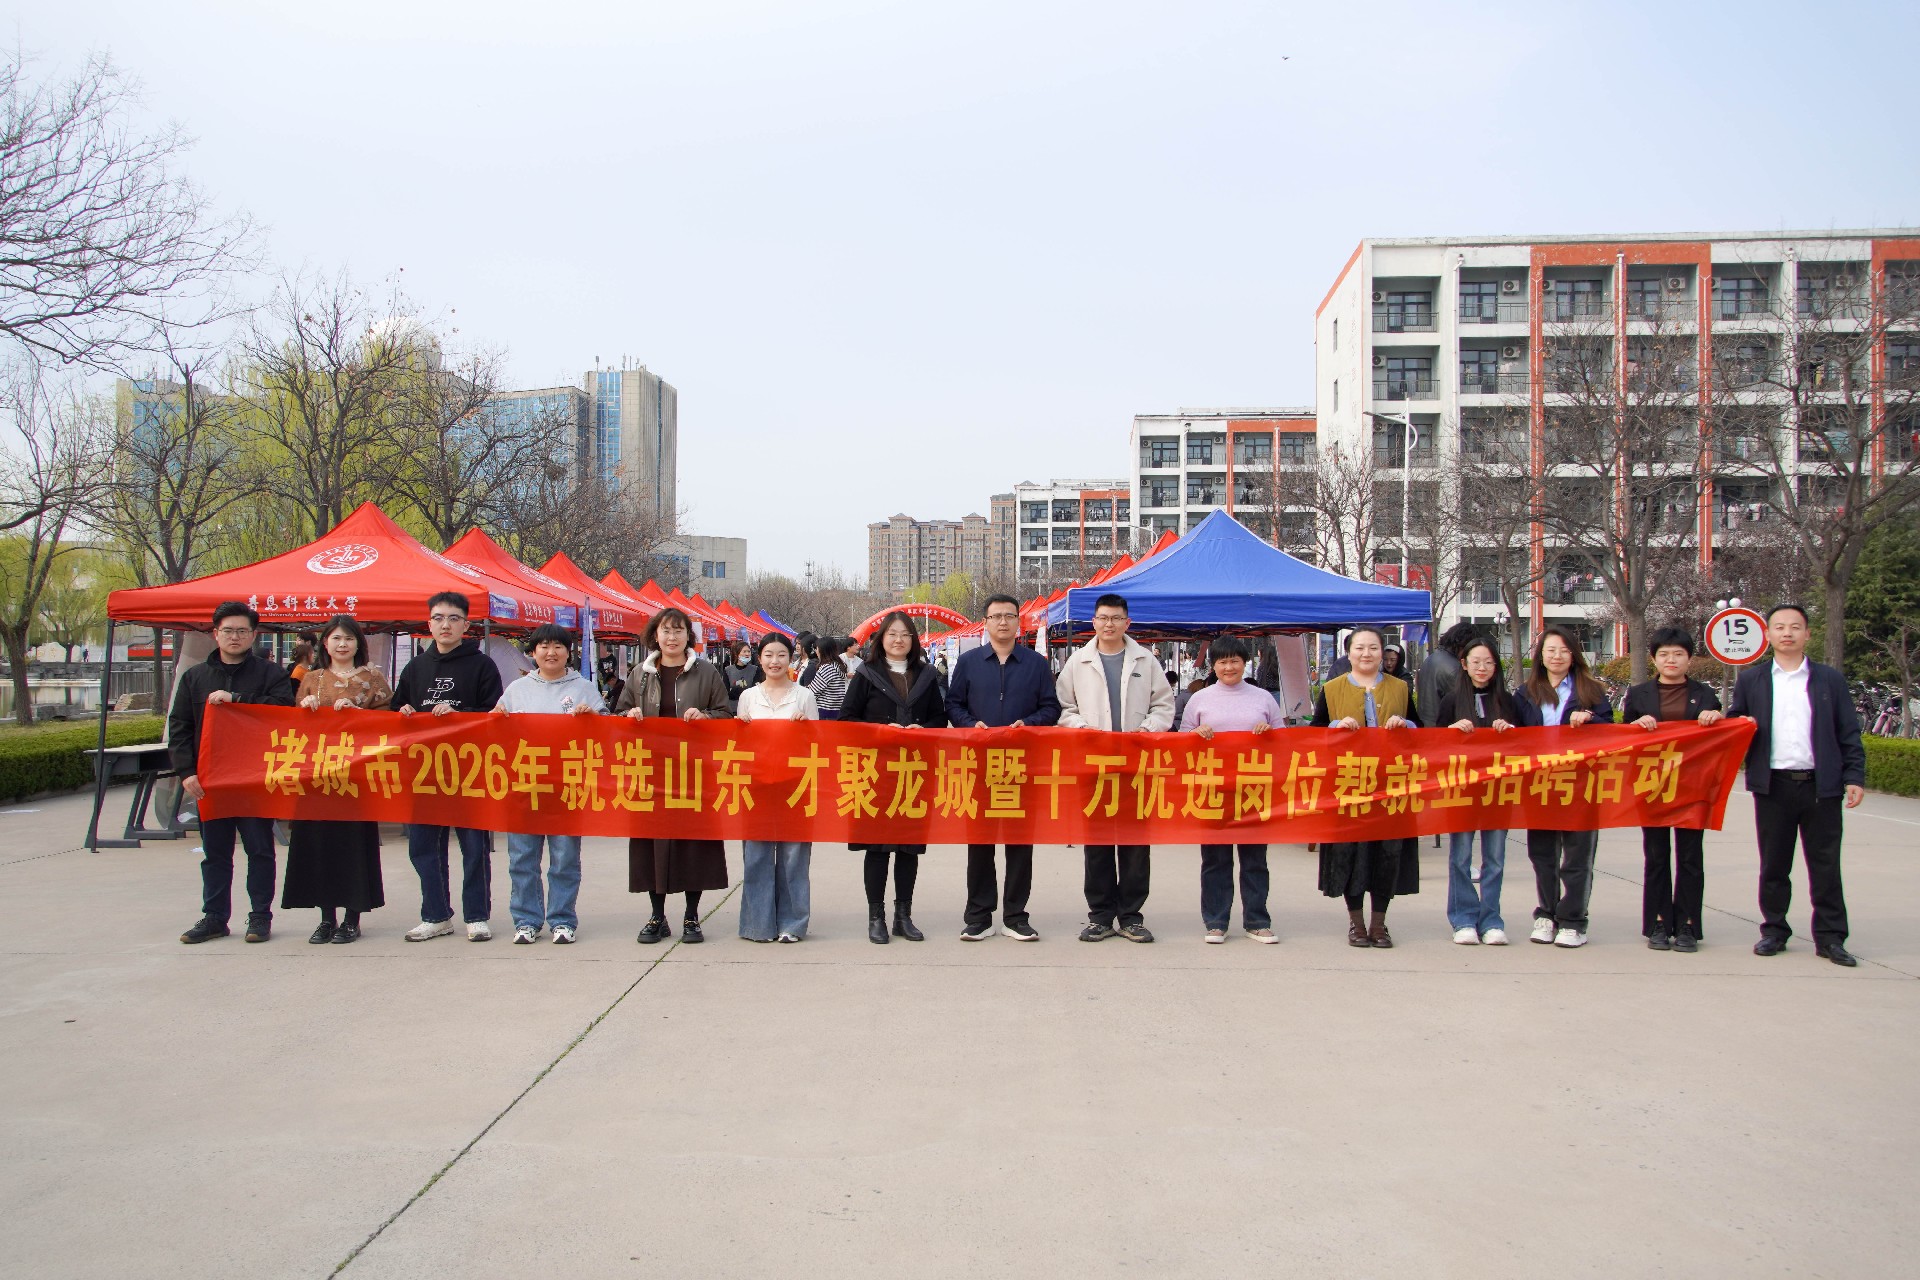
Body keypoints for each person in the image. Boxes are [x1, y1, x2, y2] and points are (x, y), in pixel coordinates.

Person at [1728, 603, 1866, 966]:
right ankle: (1774, 931)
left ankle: (1831, 938)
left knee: (1825, 866)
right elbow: (1735, 724)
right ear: (1767, 634)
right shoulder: (1753, 680)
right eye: (1779, 627)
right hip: (1773, 786)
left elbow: (1848, 732)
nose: (1787, 633)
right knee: (1774, 865)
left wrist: (1854, 776)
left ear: (1807, 634)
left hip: (1821, 787)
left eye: (1794, 627)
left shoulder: (1829, 680)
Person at [174, 602, 296, 944]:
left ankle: (260, 917)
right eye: (228, 630)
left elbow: (285, 712)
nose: (235, 637)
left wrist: (238, 698)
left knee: (260, 850)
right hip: (211, 781)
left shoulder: (271, 674)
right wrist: (186, 772)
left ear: (253, 635)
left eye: (242, 631)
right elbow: (180, 727)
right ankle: (214, 917)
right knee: (215, 853)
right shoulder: (195, 677)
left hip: (255, 778)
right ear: (216, 634)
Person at [1056, 592, 1175, 942]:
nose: (1109, 624)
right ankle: (1101, 916)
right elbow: (1063, 707)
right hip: (1095, 767)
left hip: (1136, 765)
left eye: (1116, 618)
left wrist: (1147, 729)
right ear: (1093, 622)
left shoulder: (1145, 660)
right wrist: (1081, 728)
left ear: (1127, 622)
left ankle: (1132, 916)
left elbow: (1163, 705)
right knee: (1097, 844)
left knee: (1136, 845)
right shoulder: (1078, 662)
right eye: (1103, 618)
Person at [945, 594, 1062, 941]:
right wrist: (970, 724)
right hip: (978, 765)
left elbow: (1051, 708)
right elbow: (953, 704)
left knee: (1020, 844)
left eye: (1009, 616)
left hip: (1021, 767)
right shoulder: (969, 662)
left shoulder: (1035, 664)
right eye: (995, 616)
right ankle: (979, 916)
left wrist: (1029, 723)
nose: (1002, 622)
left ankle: (1015, 916)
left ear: (1018, 623)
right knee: (979, 843)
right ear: (985, 622)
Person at [390, 591, 504, 942]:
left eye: (454, 618)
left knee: (473, 847)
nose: (445, 625)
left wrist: (460, 715)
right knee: (423, 847)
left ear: (466, 625)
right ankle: (436, 915)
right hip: (424, 772)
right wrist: (403, 711)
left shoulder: (482, 666)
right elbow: (395, 711)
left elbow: (495, 715)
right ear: (429, 624)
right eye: (438, 618)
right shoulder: (416, 667)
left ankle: (476, 916)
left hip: (469, 770)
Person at [616, 606, 732, 943]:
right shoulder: (640, 674)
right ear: (655, 635)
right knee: (652, 844)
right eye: (666, 630)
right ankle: (657, 916)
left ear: (688, 636)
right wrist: (629, 715)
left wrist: (705, 716)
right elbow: (618, 713)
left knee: (693, 844)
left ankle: (692, 916)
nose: (672, 637)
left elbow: (725, 713)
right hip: (651, 773)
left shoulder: (706, 672)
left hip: (693, 772)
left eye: (678, 630)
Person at [494, 624, 605, 945]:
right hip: (524, 787)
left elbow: (607, 732)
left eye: (558, 646)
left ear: (569, 652)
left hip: (566, 788)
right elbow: (496, 731)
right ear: (533, 652)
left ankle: (562, 919)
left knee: (564, 859)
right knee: (522, 859)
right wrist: (496, 718)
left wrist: (592, 717)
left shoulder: (584, 688)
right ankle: (526, 920)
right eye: (543, 646)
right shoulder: (517, 689)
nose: (551, 652)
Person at [842, 611, 948, 942]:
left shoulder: (927, 675)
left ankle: (904, 915)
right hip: (875, 774)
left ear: (914, 640)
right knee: (877, 848)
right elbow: (847, 719)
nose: (899, 640)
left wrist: (923, 729)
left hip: (913, 773)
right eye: (892, 634)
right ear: (881, 639)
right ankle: (876, 917)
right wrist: (878, 730)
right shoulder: (866, 673)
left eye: (905, 634)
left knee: (908, 848)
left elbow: (939, 719)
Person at [1311, 626, 1419, 948]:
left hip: (1391, 784)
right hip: (1349, 784)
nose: (1366, 654)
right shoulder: (1332, 689)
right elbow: (1313, 735)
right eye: (1360, 648)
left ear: (1383, 652)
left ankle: (1379, 924)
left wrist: (1406, 724)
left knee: (1388, 852)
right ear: (1349, 653)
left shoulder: (1401, 688)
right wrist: (1335, 726)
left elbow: (1423, 730)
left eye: (1373, 647)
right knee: (1351, 853)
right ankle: (1356, 924)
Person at [284, 616, 389, 944]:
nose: (342, 644)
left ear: (358, 643)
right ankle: (326, 918)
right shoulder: (310, 679)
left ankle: (351, 918)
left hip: (355, 778)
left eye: (349, 638)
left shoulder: (372, 678)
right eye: (336, 638)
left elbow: (389, 721)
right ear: (325, 644)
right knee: (319, 845)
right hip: (317, 777)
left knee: (352, 845)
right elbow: (292, 726)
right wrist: (305, 707)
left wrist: (360, 714)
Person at [1513, 625, 1616, 948]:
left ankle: (1573, 920)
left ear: (1574, 655)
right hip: (1540, 783)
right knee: (1542, 854)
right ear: (1540, 656)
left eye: (1563, 650)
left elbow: (1611, 731)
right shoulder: (1526, 692)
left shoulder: (1591, 691)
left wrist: (1591, 720)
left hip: (1580, 783)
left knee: (1577, 857)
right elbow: (1515, 735)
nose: (1556, 656)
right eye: (1550, 650)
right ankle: (1546, 913)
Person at [1624, 627, 1726, 953]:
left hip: (1692, 785)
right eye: (1664, 654)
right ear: (1654, 658)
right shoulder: (1638, 695)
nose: (1671, 660)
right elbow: (1622, 737)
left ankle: (1687, 925)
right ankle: (1657, 923)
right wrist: (1635, 727)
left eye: (1678, 654)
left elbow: (1720, 736)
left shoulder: (1705, 695)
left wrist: (1715, 716)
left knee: (1690, 857)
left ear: (1689, 659)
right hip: (1653, 785)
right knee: (1656, 856)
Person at [1179, 636, 1283, 943]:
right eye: (1222, 662)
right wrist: (1195, 733)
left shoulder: (1263, 698)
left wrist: (1269, 734)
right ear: (1213, 666)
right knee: (1216, 860)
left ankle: (1257, 921)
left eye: (1234, 661)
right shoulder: (1200, 699)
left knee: (1255, 860)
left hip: (1254, 790)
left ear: (1245, 663)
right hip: (1213, 791)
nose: (1229, 667)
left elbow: (1285, 741)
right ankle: (1216, 921)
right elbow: (1182, 741)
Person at [735, 632, 818, 942]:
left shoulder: (804, 696)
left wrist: (805, 728)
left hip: (794, 787)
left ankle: (792, 924)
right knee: (756, 856)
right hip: (756, 787)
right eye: (768, 655)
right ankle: (758, 924)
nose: (775, 661)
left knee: (793, 858)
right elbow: (738, 746)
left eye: (781, 655)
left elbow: (817, 744)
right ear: (760, 659)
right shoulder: (748, 697)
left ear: (791, 658)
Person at [1437, 635, 1517, 945]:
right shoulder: (1451, 700)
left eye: (1488, 662)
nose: (1482, 668)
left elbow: (1525, 745)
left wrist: (1511, 733)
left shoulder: (1507, 702)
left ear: (1496, 667)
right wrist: (1450, 732)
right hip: (1462, 791)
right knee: (1460, 857)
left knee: (1494, 858)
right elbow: (1433, 745)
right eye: (1476, 662)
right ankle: (1463, 919)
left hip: (1498, 791)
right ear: (1464, 665)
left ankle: (1491, 919)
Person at [1416, 620, 1479, 730]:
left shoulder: (1430, 659)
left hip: (1426, 726)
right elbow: (1465, 704)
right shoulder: (1455, 669)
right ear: (1464, 645)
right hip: (1444, 728)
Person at [808, 636, 849, 719]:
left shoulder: (827, 668)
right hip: (836, 710)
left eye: (817, 648)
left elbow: (812, 692)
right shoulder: (838, 665)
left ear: (822, 650)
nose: (816, 651)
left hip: (824, 711)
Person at [722, 639, 761, 712]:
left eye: (749, 651)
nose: (747, 654)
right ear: (737, 654)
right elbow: (725, 692)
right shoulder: (728, 670)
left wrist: (737, 691)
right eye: (744, 651)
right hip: (732, 709)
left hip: (750, 708)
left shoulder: (755, 670)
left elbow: (755, 690)